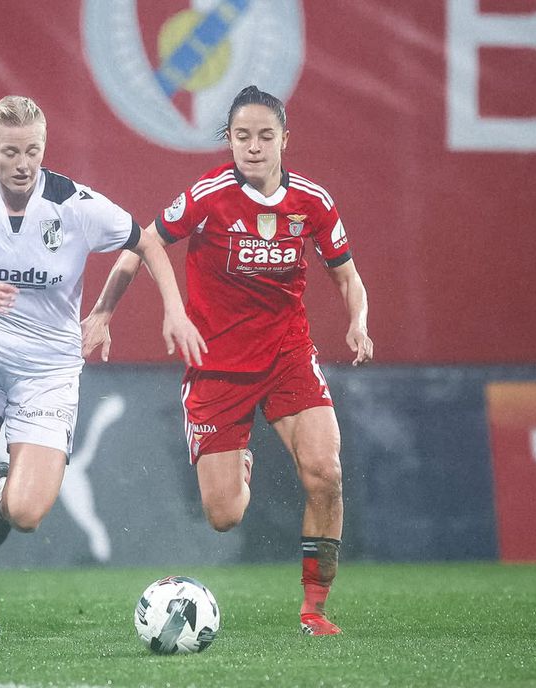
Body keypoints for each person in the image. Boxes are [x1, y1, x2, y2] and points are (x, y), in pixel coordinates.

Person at [82, 85, 373, 636]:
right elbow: (141, 244)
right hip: (217, 367)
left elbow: (347, 276)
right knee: (224, 516)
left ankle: (314, 607)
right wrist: (102, 312)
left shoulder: (312, 201)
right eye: (243, 136)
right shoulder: (207, 196)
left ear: (285, 139)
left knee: (326, 472)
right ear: (230, 141)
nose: (254, 147)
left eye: (266, 136)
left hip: (288, 355)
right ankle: (237, 459)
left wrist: (358, 320)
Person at [0, 95, 205, 640]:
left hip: (50, 372)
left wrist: (164, 310)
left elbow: (147, 240)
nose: (23, 163)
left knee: (25, 512)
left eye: (33, 150)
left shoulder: (75, 205)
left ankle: (0, 493)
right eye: (10, 151)